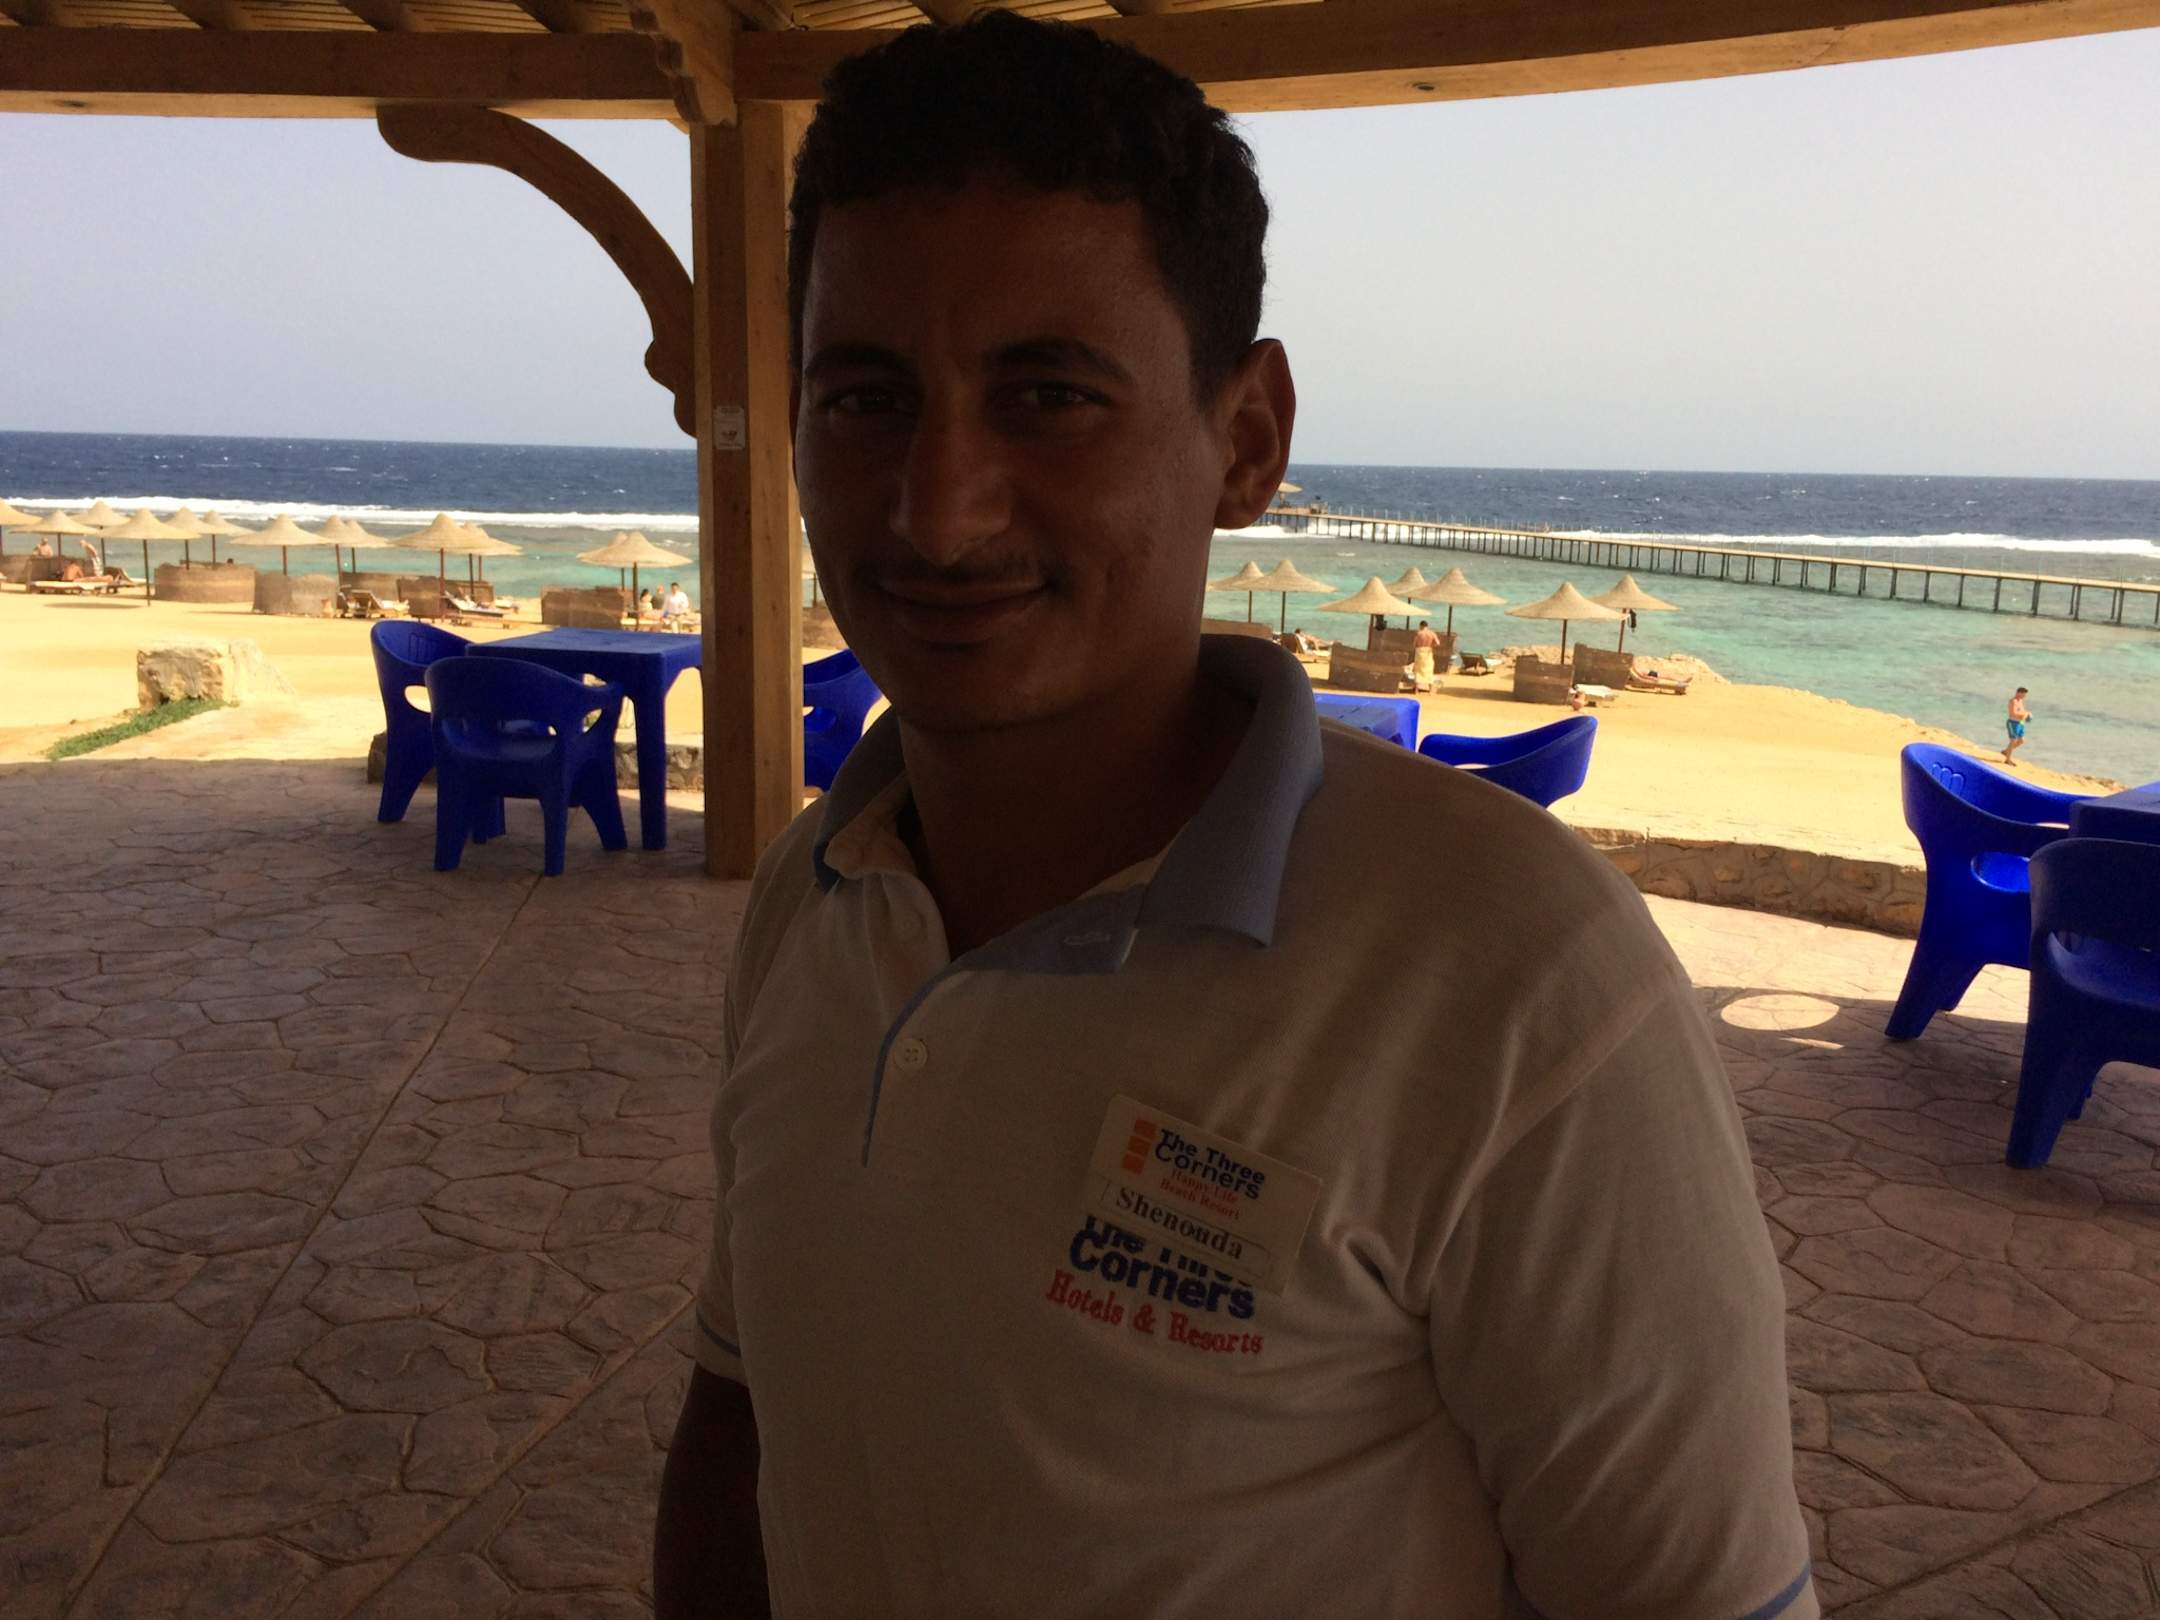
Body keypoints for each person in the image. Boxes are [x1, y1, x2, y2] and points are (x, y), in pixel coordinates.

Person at [655, 16, 1812, 1620]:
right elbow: (745, 1411)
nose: (938, 508)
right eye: (866, 399)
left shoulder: (1519, 978)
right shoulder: (817, 893)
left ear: (1247, 440)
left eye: (1047, 395)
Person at [2005, 686, 2032, 765]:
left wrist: (2028, 714)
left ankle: (2006, 751)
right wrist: (2024, 714)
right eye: (2023, 694)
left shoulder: (2020, 701)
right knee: (2013, 741)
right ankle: (2008, 760)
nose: (2024, 696)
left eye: (2025, 695)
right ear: (2018, 693)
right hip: (2013, 723)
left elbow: (2022, 711)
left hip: (2020, 723)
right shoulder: (2013, 701)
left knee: (2021, 741)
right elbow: (2013, 713)